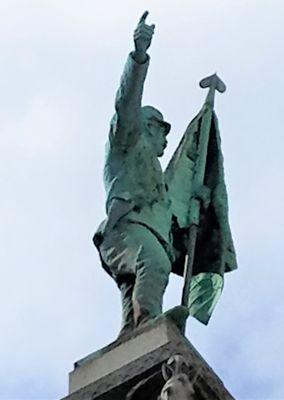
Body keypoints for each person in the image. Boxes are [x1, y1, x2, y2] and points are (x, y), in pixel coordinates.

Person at [93, 11, 174, 336]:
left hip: (142, 232)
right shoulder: (126, 140)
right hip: (122, 229)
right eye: (161, 130)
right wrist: (139, 56)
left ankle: (131, 338)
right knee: (153, 263)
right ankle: (150, 328)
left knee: (134, 291)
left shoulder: (158, 176)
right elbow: (126, 102)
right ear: (147, 127)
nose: (165, 139)